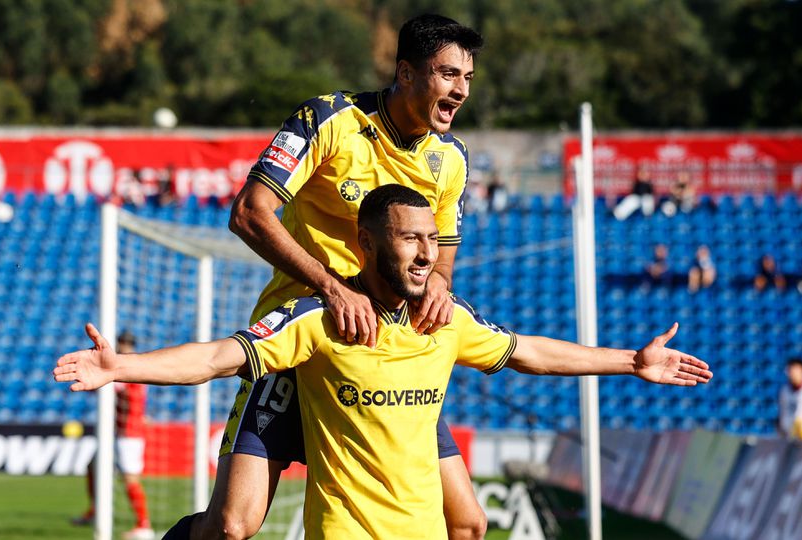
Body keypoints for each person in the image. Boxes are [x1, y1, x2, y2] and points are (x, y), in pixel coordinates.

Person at [54, 185, 712, 539]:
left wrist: (631, 360)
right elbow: (219, 358)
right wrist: (122, 367)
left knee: (470, 522)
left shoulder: (447, 320)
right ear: (367, 246)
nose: (428, 253)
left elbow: (529, 352)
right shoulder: (317, 320)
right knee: (231, 524)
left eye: (432, 239)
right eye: (410, 239)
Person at [204, 14, 484, 540]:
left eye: (467, 77)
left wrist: (440, 289)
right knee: (231, 527)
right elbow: (249, 212)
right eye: (448, 74)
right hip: (300, 344)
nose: (461, 89)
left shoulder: (452, 159)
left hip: (383, 360)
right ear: (405, 72)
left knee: (467, 523)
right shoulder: (330, 120)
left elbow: (442, 259)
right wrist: (332, 288)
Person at [72, 331, 153, 540]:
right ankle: (96, 510)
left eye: (125, 343)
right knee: (93, 466)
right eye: (121, 342)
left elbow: (111, 386)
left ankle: (144, 524)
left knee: (130, 478)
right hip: (120, 431)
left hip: (129, 433)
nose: (122, 346)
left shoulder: (127, 366)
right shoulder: (130, 365)